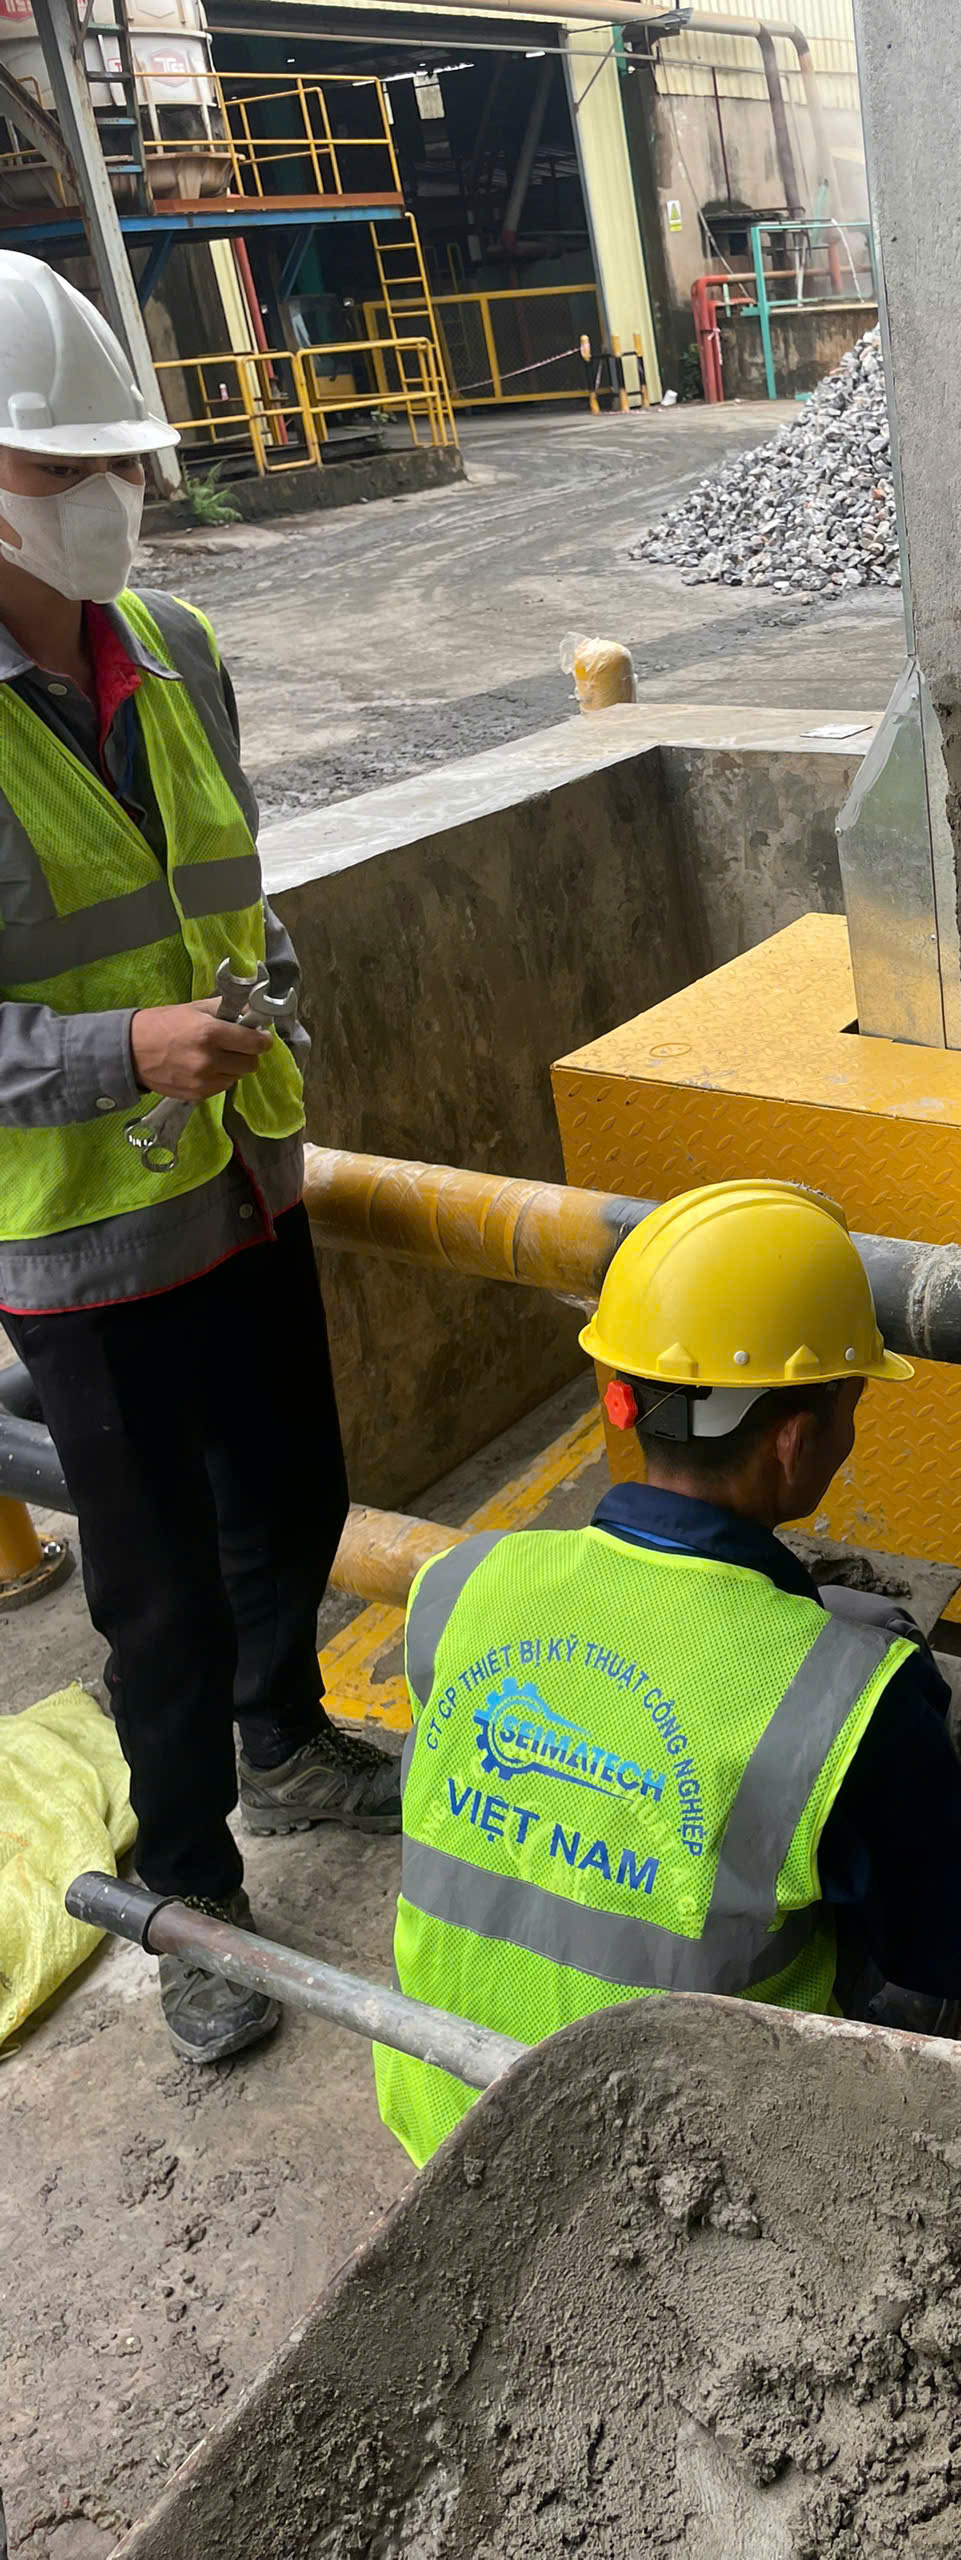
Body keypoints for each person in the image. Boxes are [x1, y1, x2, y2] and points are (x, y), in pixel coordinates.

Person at [0, 252, 399, 2068]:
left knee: (297, 1497)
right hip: (86, 1247)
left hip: (240, 1185)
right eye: (59, 467)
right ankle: (189, 1890)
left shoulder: (179, 650)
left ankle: (285, 1737)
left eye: (122, 461)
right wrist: (118, 1052)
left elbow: (223, 891)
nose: (108, 497)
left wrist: (252, 1009)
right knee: (151, 1594)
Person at [377, 1178, 961, 2163]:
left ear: (629, 1401)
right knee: (892, 1878)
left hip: (445, 2114)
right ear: (795, 1440)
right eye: (849, 1404)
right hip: (668, 2168)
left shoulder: (462, 1583)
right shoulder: (842, 1697)